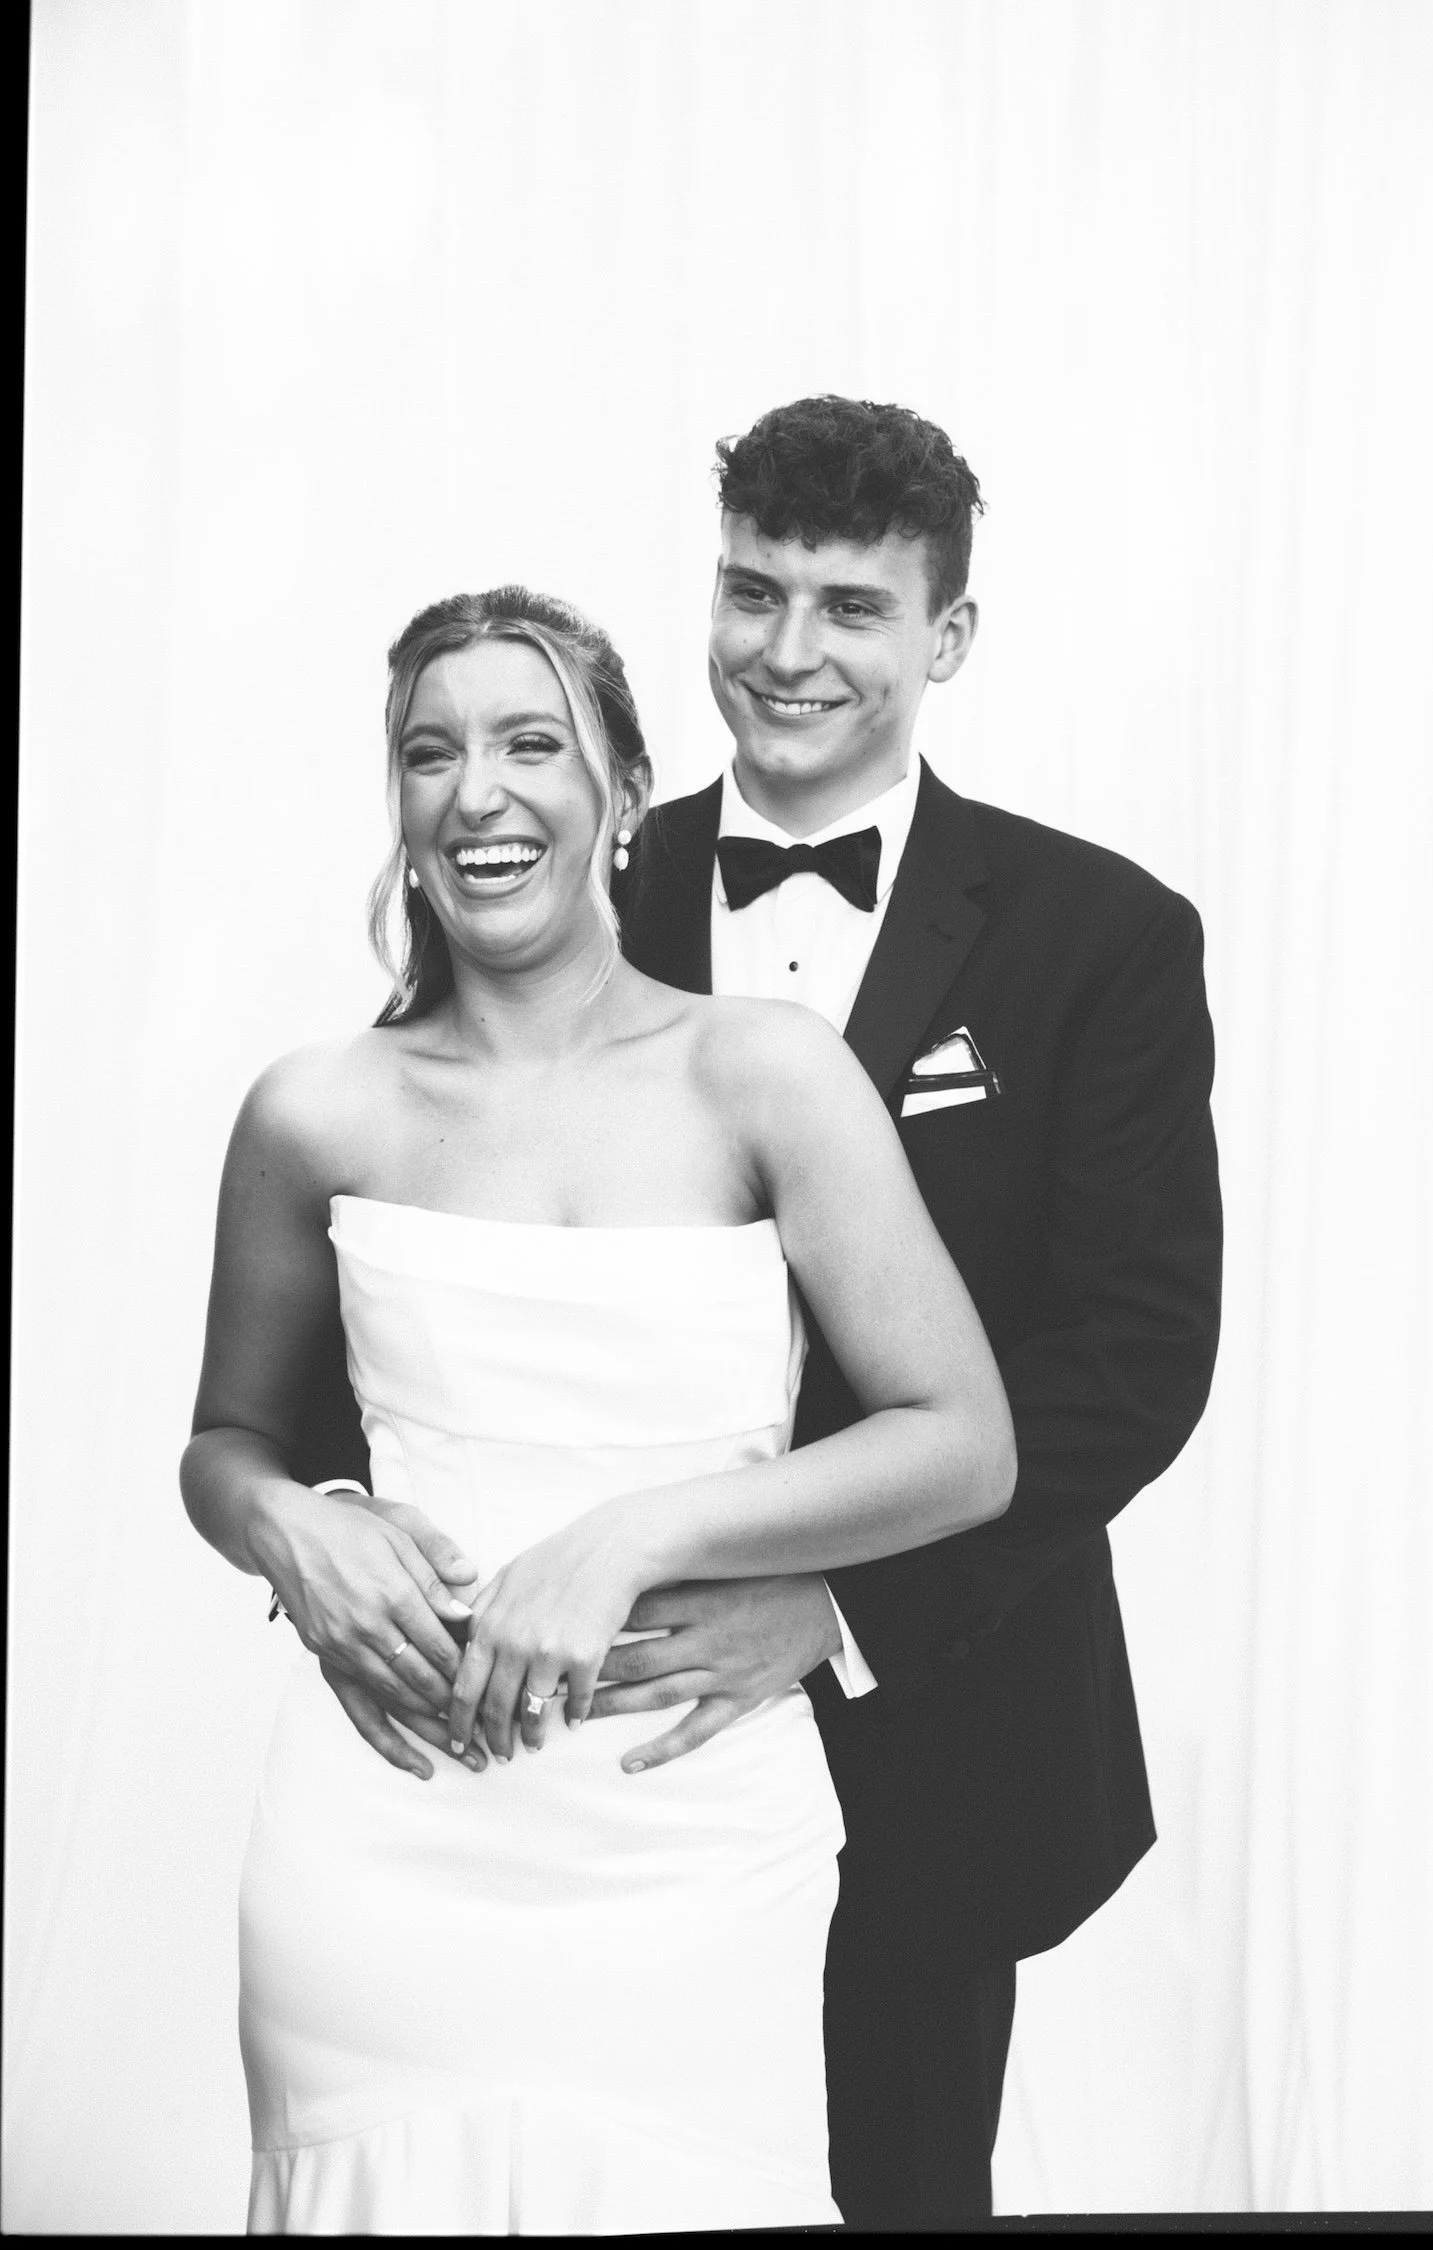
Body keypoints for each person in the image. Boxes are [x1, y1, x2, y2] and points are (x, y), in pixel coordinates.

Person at [306, 396, 1224, 2229]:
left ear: (946, 636)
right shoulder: (551, 869)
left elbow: (1133, 1359)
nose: (787, 652)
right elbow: (399, 1209)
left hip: (934, 1726)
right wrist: (334, 1528)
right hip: (551, 1730)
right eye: (753, 592)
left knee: (889, 2188)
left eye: (851, 608)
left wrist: (842, 1606)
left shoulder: (1096, 932)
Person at [181, 584, 1015, 2236]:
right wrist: (296, 1523)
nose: (475, 791)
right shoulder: (311, 1108)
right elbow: (225, 1444)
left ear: (626, 793)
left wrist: (637, 1534)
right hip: (383, 1821)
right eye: (430, 753)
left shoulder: (763, 1072)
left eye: (528, 744)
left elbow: (962, 1438)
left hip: (687, 1823)